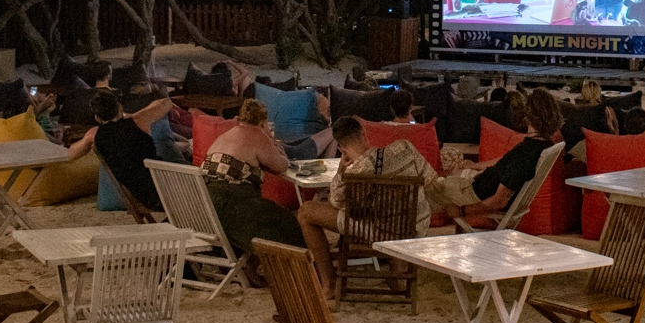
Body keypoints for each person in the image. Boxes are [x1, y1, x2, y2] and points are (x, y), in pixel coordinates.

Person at [297, 116, 436, 297]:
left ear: (341, 148)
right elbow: (431, 180)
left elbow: (336, 203)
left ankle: (329, 284)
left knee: (306, 212)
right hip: (415, 228)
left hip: (381, 232)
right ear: (364, 133)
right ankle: (398, 275)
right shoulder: (405, 148)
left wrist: (341, 172)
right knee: (389, 213)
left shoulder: (355, 173)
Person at [199, 99, 304, 277]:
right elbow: (281, 166)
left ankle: (257, 264)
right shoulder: (257, 135)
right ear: (263, 122)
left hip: (206, 204)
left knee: (267, 211)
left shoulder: (226, 135)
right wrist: (274, 143)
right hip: (229, 206)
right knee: (285, 219)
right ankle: (291, 269)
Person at [426, 88, 562, 224]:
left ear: (528, 115)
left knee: (416, 190)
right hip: (473, 185)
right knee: (437, 177)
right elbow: (507, 162)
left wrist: (461, 211)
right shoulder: (543, 145)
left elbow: (499, 201)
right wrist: (476, 166)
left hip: (471, 194)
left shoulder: (525, 153)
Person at [68, 89, 174, 212]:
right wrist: (133, 115)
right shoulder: (138, 120)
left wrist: (87, 140)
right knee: (201, 169)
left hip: (143, 199)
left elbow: (71, 154)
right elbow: (167, 102)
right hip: (168, 191)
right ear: (120, 107)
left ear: (97, 117)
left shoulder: (93, 135)